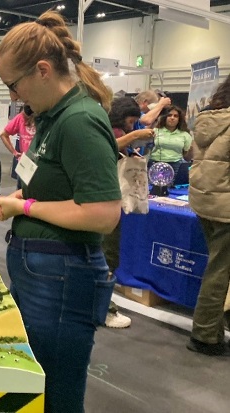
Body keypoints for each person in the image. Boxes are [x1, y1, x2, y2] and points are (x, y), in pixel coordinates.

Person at [0, 11, 121, 413]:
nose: (13, 96)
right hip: (44, 274)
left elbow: (102, 213)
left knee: (56, 392)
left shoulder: (79, 121)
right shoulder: (52, 118)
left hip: (62, 278)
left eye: (14, 85)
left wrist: (24, 205)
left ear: (42, 70)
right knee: (37, 384)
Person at [103, 96, 156, 329]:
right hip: (105, 200)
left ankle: (101, 304)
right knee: (106, 254)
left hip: (108, 199)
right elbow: (107, 146)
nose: (133, 123)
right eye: (131, 119)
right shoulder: (107, 130)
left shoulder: (115, 129)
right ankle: (103, 308)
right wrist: (134, 136)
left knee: (107, 254)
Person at [187, 74, 230, 356]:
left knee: (217, 266)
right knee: (220, 270)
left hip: (204, 201)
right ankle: (204, 335)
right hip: (225, 205)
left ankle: (211, 331)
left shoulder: (207, 119)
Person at [149, 105, 193, 175]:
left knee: (172, 186)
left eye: (176, 116)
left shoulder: (185, 135)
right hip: (155, 164)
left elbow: (187, 158)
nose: (172, 118)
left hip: (176, 166)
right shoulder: (155, 131)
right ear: (165, 117)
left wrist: (191, 151)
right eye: (169, 115)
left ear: (179, 119)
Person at [0, 106, 36, 189]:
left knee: (25, 193)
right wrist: (14, 152)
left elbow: (3, 135)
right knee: (24, 192)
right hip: (27, 162)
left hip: (30, 162)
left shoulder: (42, 117)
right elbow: (3, 135)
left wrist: (14, 152)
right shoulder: (21, 117)